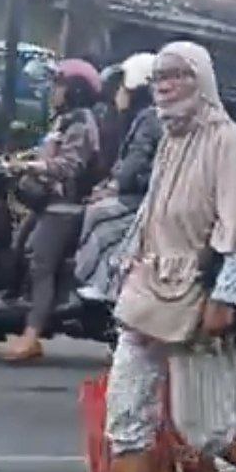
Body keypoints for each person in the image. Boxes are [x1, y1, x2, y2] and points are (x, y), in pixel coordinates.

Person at [77, 40, 236, 472]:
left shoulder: (229, 142)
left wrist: (225, 298)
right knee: (126, 409)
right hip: (148, 286)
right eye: (160, 75)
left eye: (178, 74)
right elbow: (152, 211)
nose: (166, 83)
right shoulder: (169, 139)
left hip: (198, 293)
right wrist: (124, 263)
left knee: (205, 428)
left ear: (202, 80)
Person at [3, 58, 102, 363]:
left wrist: (29, 166)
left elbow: (68, 166)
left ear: (74, 90)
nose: (54, 92)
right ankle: (4, 323)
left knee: (41, 265)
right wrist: (17, 159)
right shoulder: (64, 121)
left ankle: (33, 337)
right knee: (18, 248)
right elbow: (47, 153)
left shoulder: (81, 124)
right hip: (48, 203)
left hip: (66, 207)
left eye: (59, 86)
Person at [73, 53, 161, 303]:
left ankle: (92, 283)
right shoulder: (140, 118)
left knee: (96, 216)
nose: (117, 93)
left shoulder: (149, 119)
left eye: (122, 86)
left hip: (144, 196)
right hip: (143, 192)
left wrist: (114, 188)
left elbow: (134, 164)